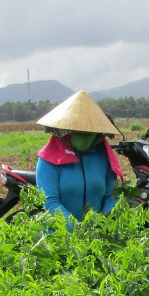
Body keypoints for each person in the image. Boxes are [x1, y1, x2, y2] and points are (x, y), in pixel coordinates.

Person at [34, 90, 126, 227]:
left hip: (97, 236)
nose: (86, 138)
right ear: (68, 131)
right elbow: (51, 202)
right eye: (81, 134)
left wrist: (106, 223)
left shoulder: (103, 157)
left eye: (90, 134)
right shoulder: (49, 160)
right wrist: (76, 228)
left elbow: (110, 196)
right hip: (60, 236)